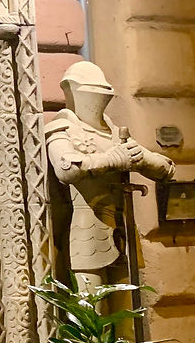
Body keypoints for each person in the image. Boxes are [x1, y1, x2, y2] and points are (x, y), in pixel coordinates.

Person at [45, 60, 174, 293]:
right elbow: (66, 168)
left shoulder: (115, 134)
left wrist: (143, 159)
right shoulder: (62, 129)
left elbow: (166, 169)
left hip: (122, 229)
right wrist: (112, 160)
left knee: (126, 316)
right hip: (84, 228)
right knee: (90, 313)